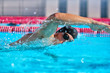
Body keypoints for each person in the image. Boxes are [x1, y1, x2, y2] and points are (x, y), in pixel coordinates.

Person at [9, 13, 110, 46]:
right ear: (59, 32)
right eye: (65, 37)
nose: (63, 42)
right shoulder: (46, 35)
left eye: (67, 41)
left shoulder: (48, 43)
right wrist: (91, 22)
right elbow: (56, 17)